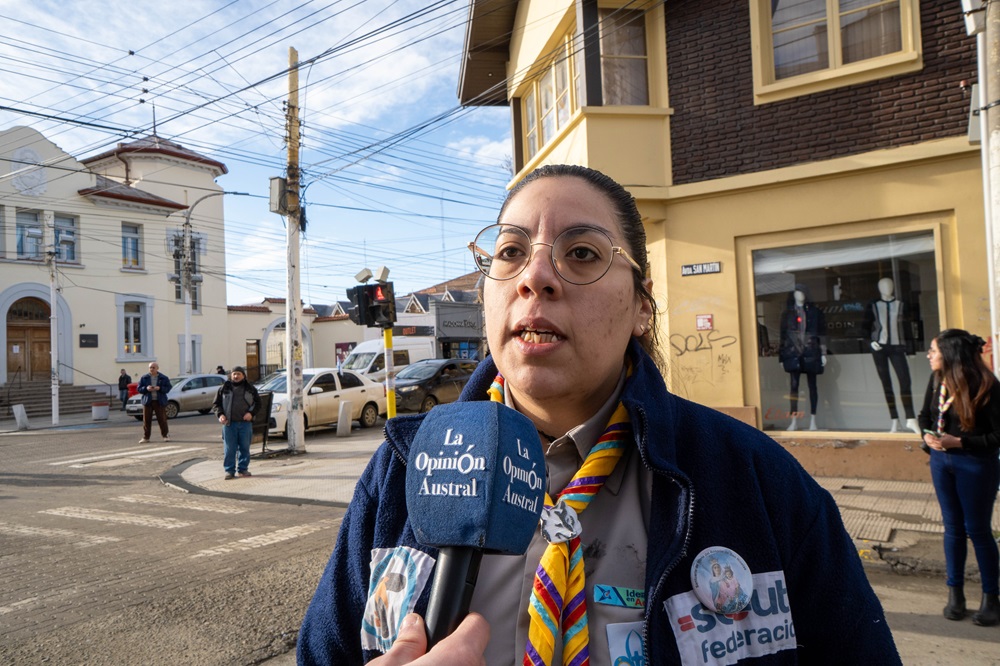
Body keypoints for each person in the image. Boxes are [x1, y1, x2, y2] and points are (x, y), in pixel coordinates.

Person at [297, 165, 900, 664]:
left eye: (582, 253)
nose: (535, 277)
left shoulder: (757, 481)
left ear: (641, 307)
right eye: (510, 252)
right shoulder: (401, 471)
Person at [919, 329, 1000, 627]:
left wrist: (960, 443)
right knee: (952, 528)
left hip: (975, 465)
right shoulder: (937, 380)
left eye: (934, 351)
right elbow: (925, 417)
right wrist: (927, 437)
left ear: (951, 354)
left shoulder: (986, 385)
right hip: (941, 463)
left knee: (977, 530)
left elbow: (997, 435)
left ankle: (991, 598)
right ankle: (955, 594)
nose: (929, 355)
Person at [866, 277, 920, 434]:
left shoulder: (901, 305)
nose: (887, 288)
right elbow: (864, 327)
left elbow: (908, 327)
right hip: (879, 347)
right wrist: (870, 341)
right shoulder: (873, 306)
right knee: (886, 383)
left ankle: (910, 418)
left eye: (889, 285)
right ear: (878, 288)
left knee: (905, 381)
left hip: (897, 347)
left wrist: (911, 350)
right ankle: (894, 419)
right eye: (883, 285)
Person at [777, 286, 826, 431]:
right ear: (793, 295)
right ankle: (794, 421)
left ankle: (813, 421)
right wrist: (781, 357)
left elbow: (822, 334)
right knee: (794, 387)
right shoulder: (787, 314)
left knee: (812, 387)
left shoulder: (815, 312)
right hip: (793, 354)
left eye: (803, 292)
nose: (800, 295)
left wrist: (823, 353)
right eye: (797, 292)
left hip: (811, 353)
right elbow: (783, 336)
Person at [212, 366, 261, 480]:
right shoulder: (224, 388)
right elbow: (216, 404)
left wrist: (251, 413)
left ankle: (243, 469)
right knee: (229, 449)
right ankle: (229, 471)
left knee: (244, 447)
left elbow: (258, 403)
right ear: (231, 375)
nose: (236, 376)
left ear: (243, 376)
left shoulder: (250, 388)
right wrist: (220, 415)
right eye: (234, 374)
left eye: (239, 374)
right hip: (229, 424)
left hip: (245, 424)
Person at [137, 362, 171, 443]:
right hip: (148, 401)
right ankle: (146, 437)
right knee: (146, 420)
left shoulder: (163, 377)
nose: (151, 369)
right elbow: (139, 388)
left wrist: (160, 388)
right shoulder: (144, 377)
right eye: (150, 367)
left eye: (153, 367)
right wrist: (146, 388)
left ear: (157, 368)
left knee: (162, 419)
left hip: (159, 401)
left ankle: (165, 436)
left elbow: (168, 388)